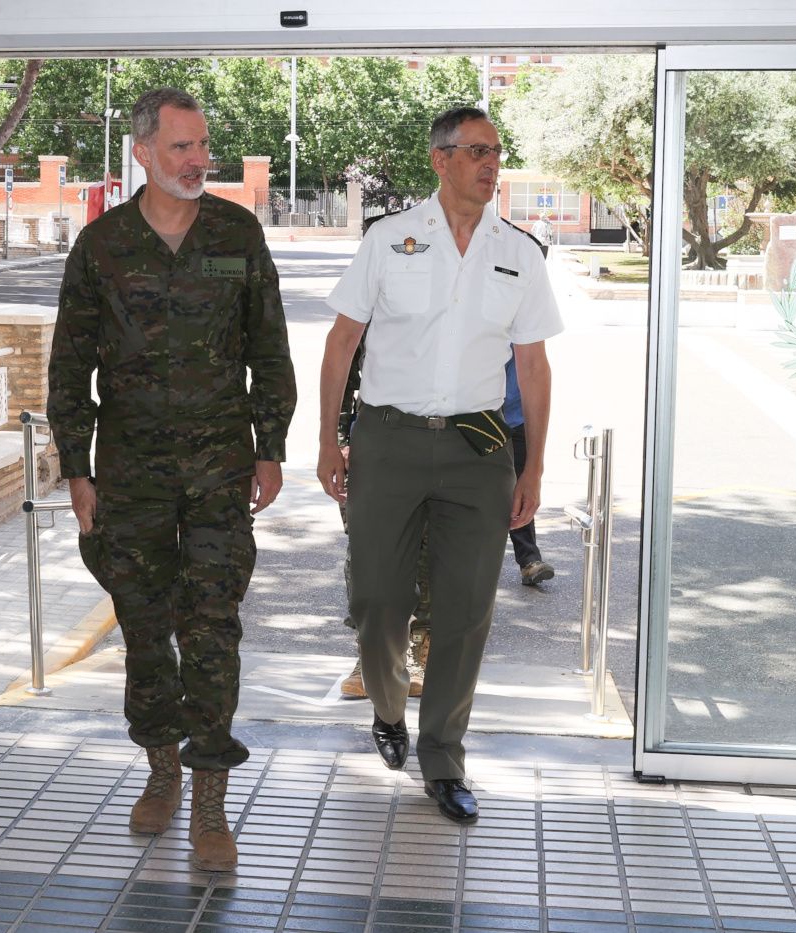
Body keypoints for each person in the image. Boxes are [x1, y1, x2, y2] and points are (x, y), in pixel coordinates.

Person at [47, 87, 296, 872]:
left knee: (212, 627)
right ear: (144, 152)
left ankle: (211, 798)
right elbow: (69, 366)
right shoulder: (102, 245)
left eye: (203, 146)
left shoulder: (237, 234)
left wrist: (270, 445)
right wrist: (78, 469)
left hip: (222, 466)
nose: (199, 160)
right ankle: (161, 768)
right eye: (183, 147)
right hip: (130, 475)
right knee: (146, 625)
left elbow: (270, 346)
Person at [317, 106, 562, 824]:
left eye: (497, 152)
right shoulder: (390, 240)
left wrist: (535, 467)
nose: (491, 164)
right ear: (441, 160)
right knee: (377, 601)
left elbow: (536, 367)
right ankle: (389, 709)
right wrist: (330, 441)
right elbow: (340, 345)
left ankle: (444, 757)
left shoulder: (521, 252)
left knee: (465, 611)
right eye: (478, 151)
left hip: (477, 450)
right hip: (387, 441)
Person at [337, 326, 431, 700]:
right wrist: (339, 440)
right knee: (365, 553)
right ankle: (370, 652)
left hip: (443, 437)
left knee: (428, 548)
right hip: (375, 438)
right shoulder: (376, 279)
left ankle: (421, 648)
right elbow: (343, 366)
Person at [503, 354, 555, 586]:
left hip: (515, 418)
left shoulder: (524, 326)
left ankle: (529, 560)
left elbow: (535, 368)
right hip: (475, 420)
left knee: (521, 491)